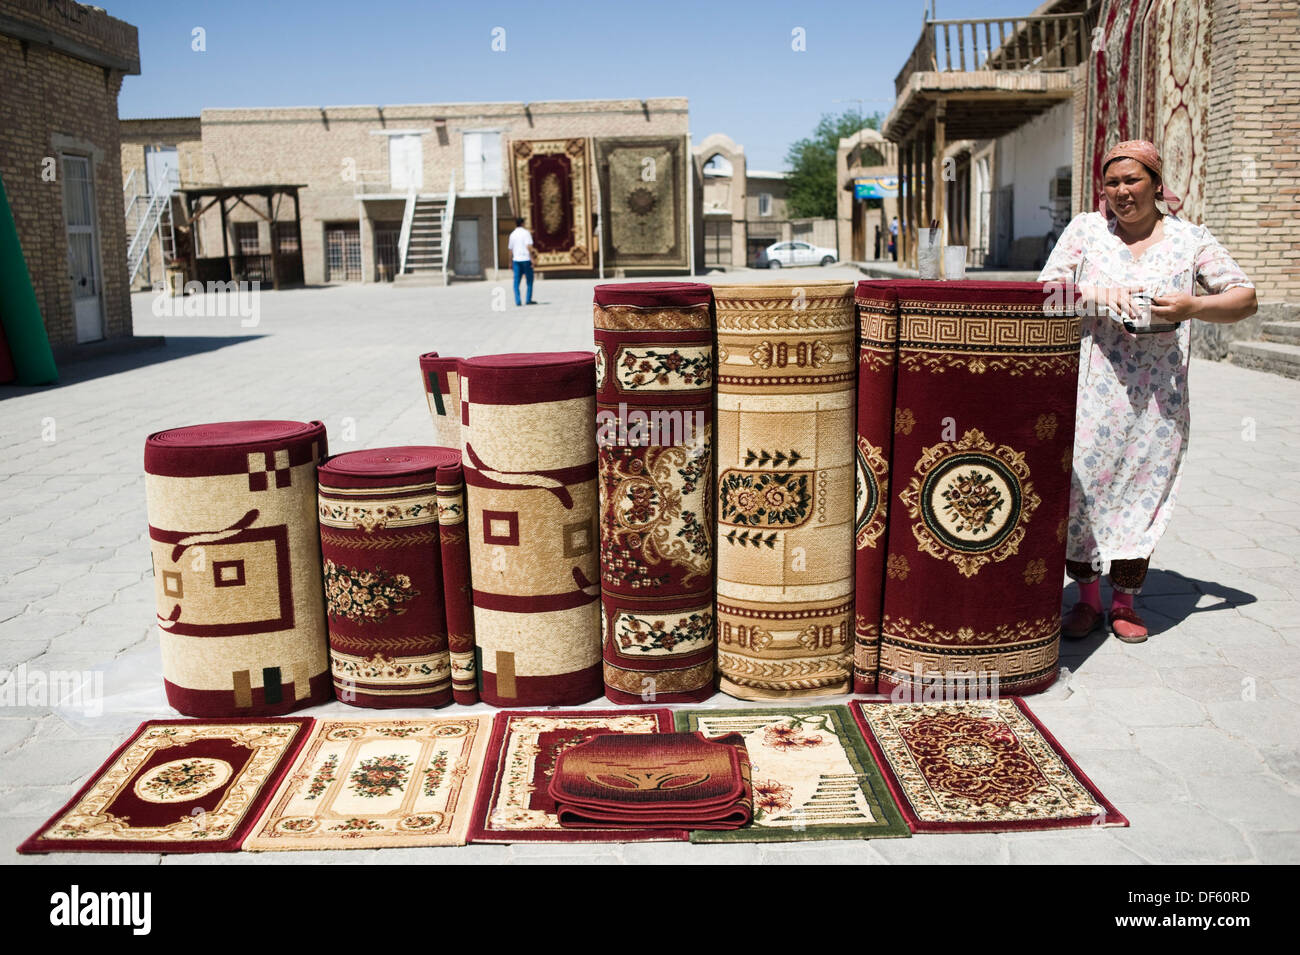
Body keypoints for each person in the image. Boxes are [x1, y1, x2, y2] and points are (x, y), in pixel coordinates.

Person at [1038, 140, 1256, 643]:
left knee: (1143, 492)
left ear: (1157, 185)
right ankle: (1087, 600)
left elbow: (1245, 298)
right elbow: (1043, 292)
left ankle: (1126, 604)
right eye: (1112, 183)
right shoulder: (1087, 232)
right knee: (1082, 493)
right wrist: (1094, 293)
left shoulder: (1191, 240)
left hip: (1160, 396)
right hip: (1093, 390)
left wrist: (1192, 307)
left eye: (1132, 181)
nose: (1121, 192)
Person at [507, 217, 537, 306]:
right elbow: (528, 247)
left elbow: (510, 250)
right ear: (523, 223)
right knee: (529, 280)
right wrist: (532, 259)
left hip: (516, 260)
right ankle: (528, 299)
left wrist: (509, 262)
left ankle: (518, 300)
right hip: (526, 259)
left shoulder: (512, 234)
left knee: (516, 282)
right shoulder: (526, 233)